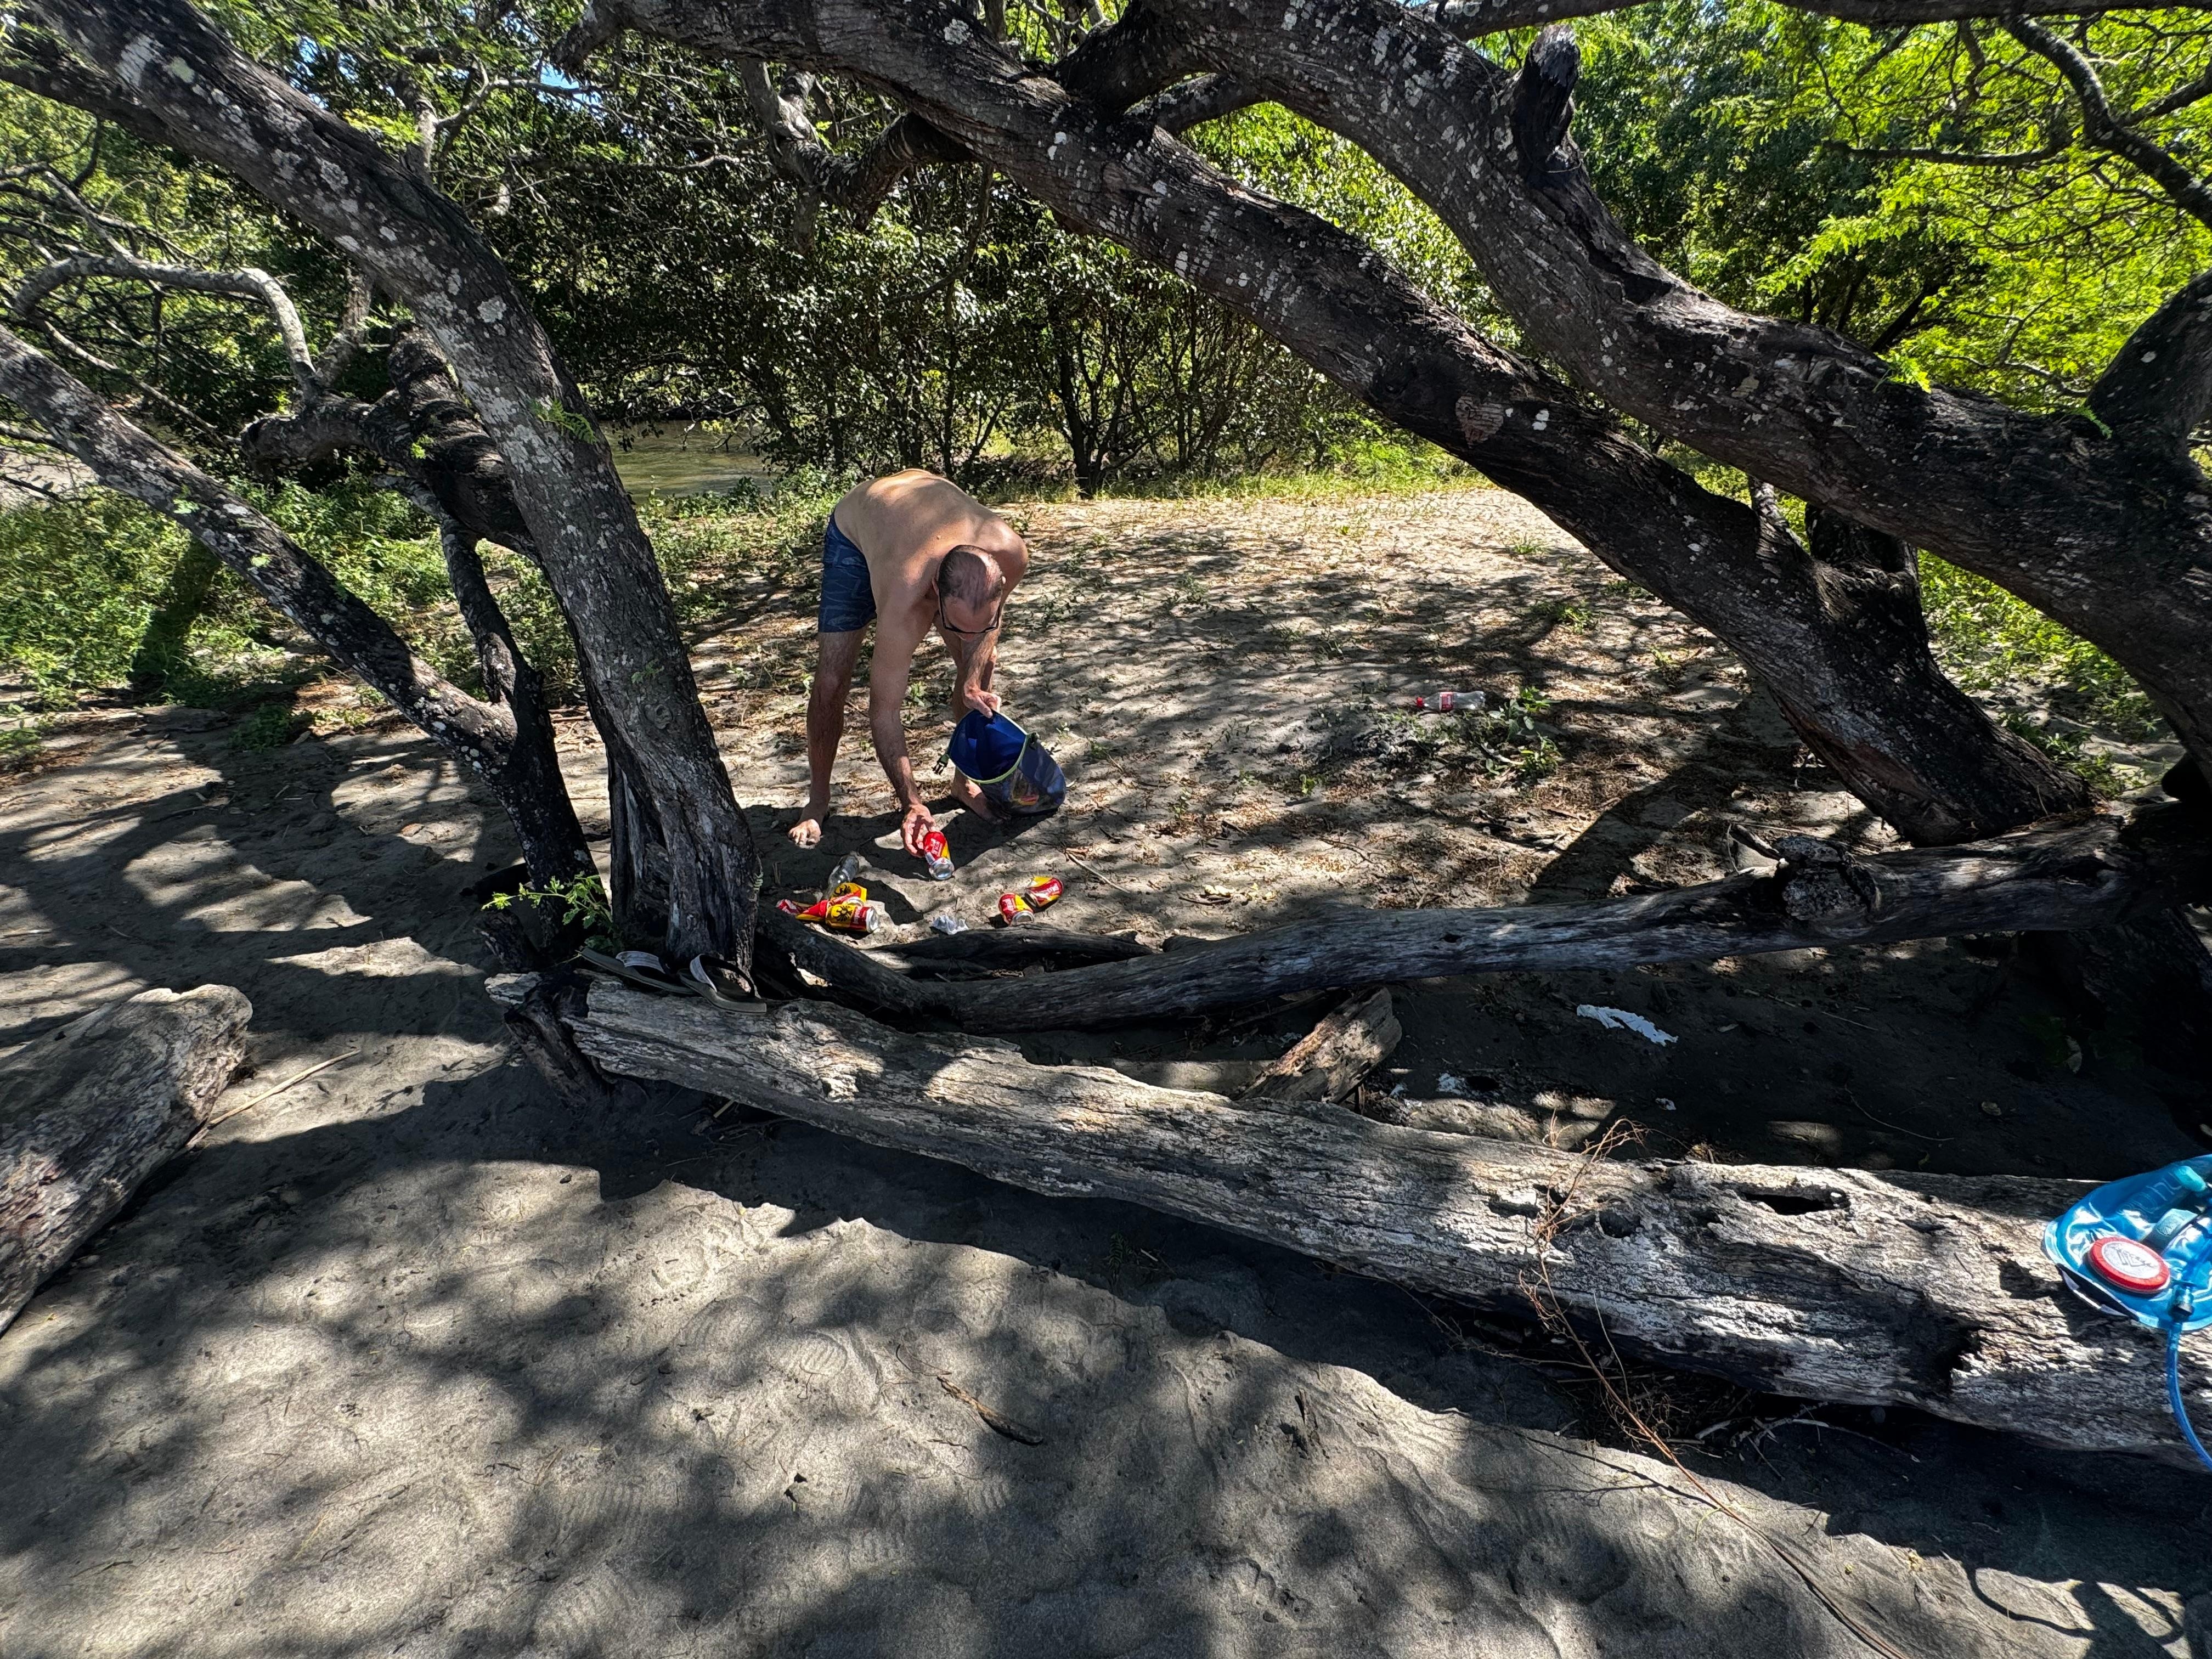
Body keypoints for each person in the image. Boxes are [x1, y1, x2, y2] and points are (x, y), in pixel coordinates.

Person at [789, 469, 1030, 855]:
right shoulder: (905, 590)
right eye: (956, 627)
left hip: (921, 516)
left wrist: (971, 676)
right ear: (934, 593)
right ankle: (818, 801)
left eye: (978, 626)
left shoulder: (1011, 554)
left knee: (983, 667)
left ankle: (962, 782)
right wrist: (912, 802)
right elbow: (884, 711)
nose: (969, 639)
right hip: (857, 533)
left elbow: (986, 632)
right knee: (833, 679)